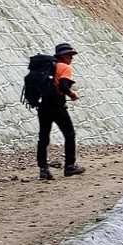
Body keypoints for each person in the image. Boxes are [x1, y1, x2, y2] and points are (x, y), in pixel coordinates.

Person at [37, 42, 84, 180]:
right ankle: (70, 166)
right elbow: (63, 86)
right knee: (69, 134)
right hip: (57, 106)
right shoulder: (64, 67)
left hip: (43, 106)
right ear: (63, 56)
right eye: (69, 55)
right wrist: (72, 94)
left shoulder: (46, 68)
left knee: (43, 137)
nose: (72, 58)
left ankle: (43, 170)